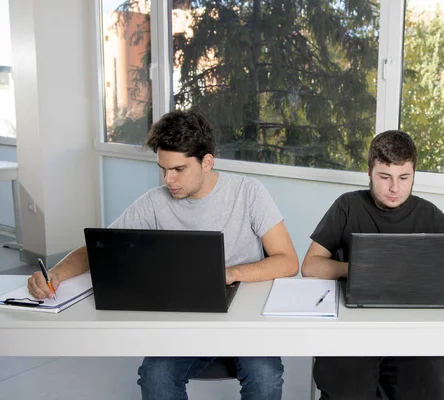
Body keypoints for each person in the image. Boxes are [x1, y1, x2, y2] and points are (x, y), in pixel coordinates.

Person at [27, 110, 299, 400]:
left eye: (178, 169)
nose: (168, 180)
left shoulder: (248, 193)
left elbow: (287, 261)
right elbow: (100, 248)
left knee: (265, 377)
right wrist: (56, 273)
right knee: (156, 376)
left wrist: (231, 273)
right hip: (183, 319)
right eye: (163, 169)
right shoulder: (154, 203)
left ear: (206, 162)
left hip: (244, 318)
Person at [301, 130, 444, 400]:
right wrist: (360, 269)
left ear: (414, 175)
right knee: (346, 389)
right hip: (354, 331)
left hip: (411, 331)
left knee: (432, 388)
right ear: (369, 172)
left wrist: (419, 270)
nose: (394, 188)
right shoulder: (347, 206)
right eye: (384, 177)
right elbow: (310, 266)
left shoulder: (427, 213)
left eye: (404, 178)